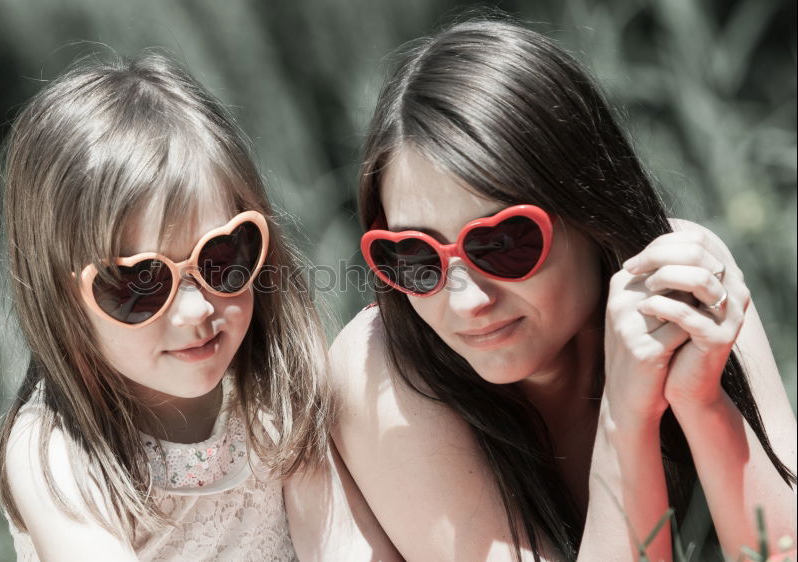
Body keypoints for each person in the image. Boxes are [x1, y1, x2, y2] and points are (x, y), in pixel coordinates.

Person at [330, 19, 797, 561]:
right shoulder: (380, 372)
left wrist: (703, 401)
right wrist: (626, 418)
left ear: (592, 212)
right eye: (413, 257)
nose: (465, 300)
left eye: (504, 241)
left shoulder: (677, 280)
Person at [0, 52, 397, 561]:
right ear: (60, 298)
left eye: (222, 256)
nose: (195, 311)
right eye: (141, 282)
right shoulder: (55, 454)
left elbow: (341, 548)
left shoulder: (272, 392)